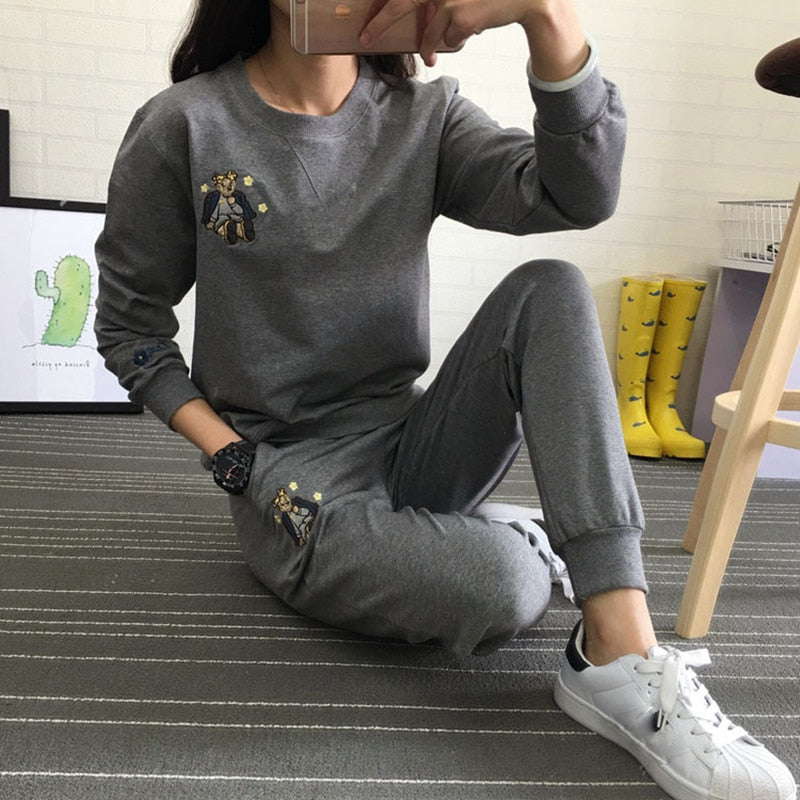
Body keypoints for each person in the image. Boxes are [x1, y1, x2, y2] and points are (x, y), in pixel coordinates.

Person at [94, 1, 797, 798]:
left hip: (414, 440)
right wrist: (233, 458)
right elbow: (130, 328)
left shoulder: (424, 116)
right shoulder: (185, 125)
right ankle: (500, 539)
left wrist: (545, 15)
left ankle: (619, 651)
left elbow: (577, 195)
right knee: (505, 585)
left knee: (553, 290)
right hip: (289, 477)